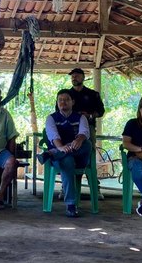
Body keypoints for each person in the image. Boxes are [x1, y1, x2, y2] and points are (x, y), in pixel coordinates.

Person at [40, 89, 92, 217]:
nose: (63, 102)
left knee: (87, 144)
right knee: (67, 161)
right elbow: (53, 135)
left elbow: (85, 132)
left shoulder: (81, 117)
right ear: (57, 103)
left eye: (67, 100)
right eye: (60, 100)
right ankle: (71, 205)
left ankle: (52, 153)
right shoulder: (51, 118)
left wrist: (79, 140)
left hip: (79, 156)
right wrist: (61, 147)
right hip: (62, 157)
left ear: (72, 102)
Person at [67, 68, 105, 200]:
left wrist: (88, 115)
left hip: (88, 129)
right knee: (67, 154)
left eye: (77, 76)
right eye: (72, 76)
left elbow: (101, 111)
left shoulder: (92, 94)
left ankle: (95, 188)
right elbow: (58, 111)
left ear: (83, 77)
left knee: (90, 155)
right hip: (68, 129)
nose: (74, 78)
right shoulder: (66, 95)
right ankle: (66, 188)